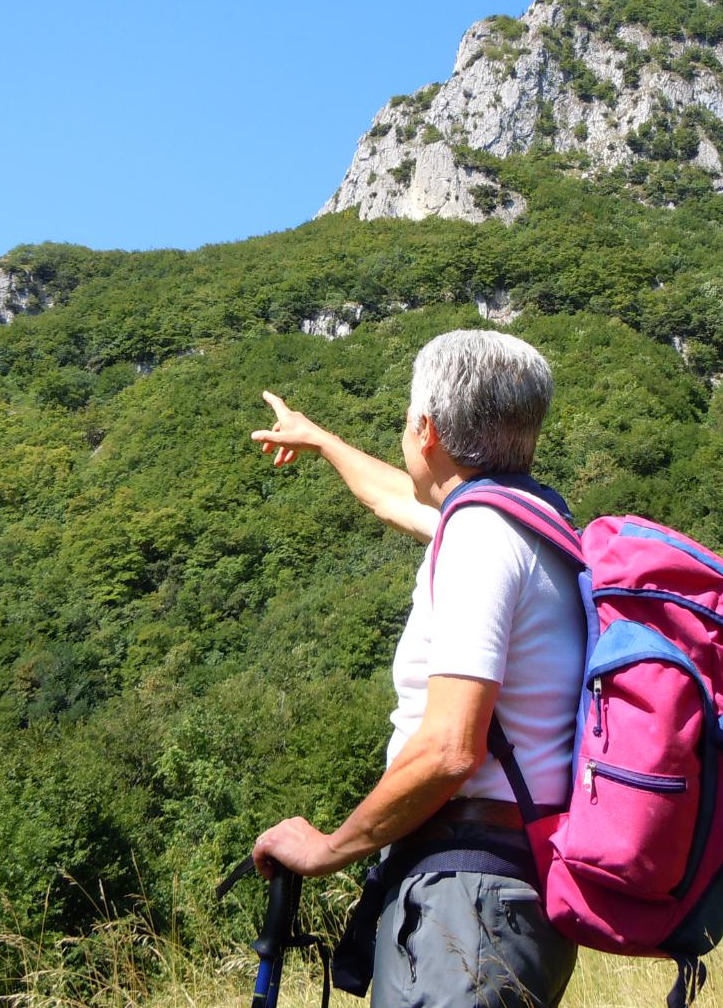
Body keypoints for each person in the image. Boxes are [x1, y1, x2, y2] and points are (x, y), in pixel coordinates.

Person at [249, 329, 583, 1007]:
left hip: (466, 901)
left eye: (407, 415)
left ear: (426, 427)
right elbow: (394, 497)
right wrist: (323, 440)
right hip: (505, 891)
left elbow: (449, 748)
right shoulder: (537, 525)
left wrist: (329, 847)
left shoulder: (482, 538)